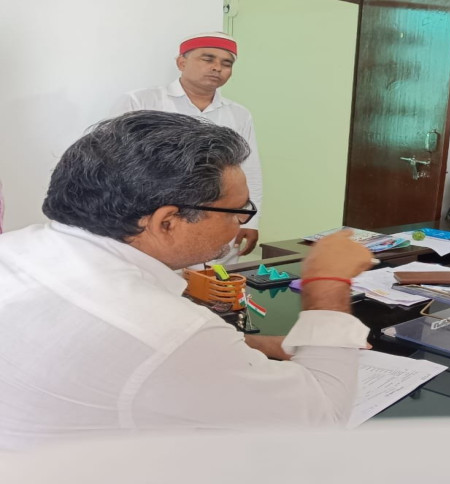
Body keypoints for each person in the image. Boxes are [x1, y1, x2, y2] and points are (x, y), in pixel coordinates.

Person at [0, 111, 372, 450]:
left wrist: (245, 346)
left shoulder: (15, 247)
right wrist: (327, 283)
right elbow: (323, 418)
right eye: (236, 211)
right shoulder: (167, 332)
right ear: (167, 222)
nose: (240, 223)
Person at [111, 32, 262, 263]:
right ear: (181, 62)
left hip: (217, 219)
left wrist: (251, 220)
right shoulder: (141, 102)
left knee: (215, 280)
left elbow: (249, 170)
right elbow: (115, 163)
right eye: (208, 59)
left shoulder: (238, 114)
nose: (217, 67)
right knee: (156, 278)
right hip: (157, 219)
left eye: (226, 63)